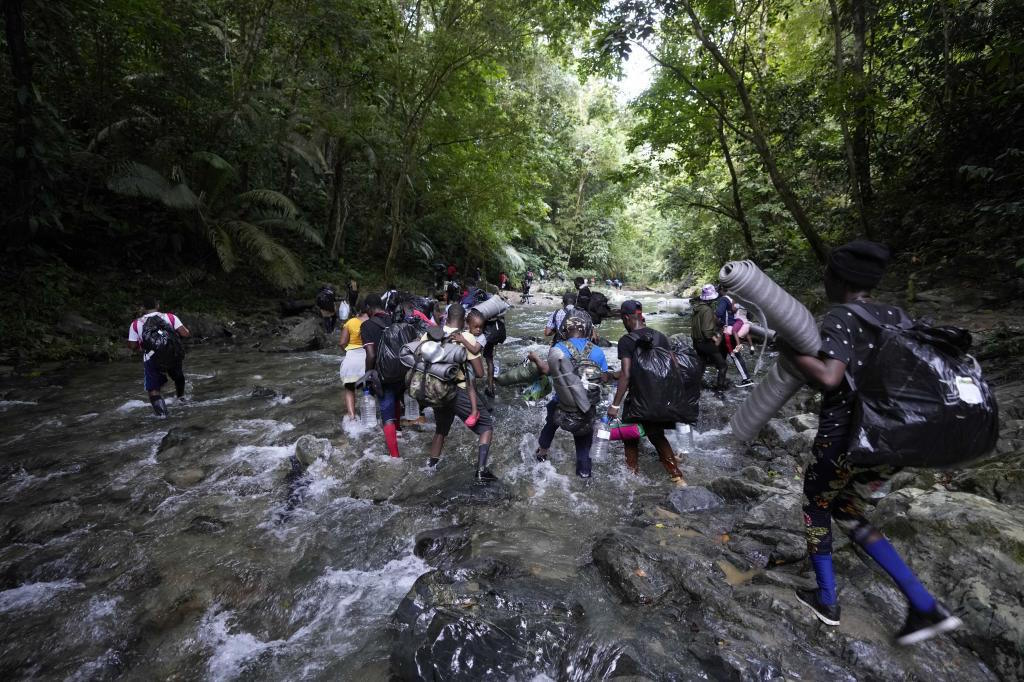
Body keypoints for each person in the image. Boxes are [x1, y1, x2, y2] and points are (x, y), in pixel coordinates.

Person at [780, 240, 962, 645]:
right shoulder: (896, 316)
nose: (824, 279)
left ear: (841, 279)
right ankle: (924, 605)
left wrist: (790, 350)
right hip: (892, 443)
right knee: (848, 510)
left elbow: (829, 376)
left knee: (815, 507)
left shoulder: (842, 316)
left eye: (827, 273)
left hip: (845, 440)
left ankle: (827, 600)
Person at [607, 300, 686, 485]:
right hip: (660, 398)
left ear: (626, 318)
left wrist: (614, 405)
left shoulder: (627, 340)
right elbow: (673, 367)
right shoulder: (660, 336)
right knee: (657, 435)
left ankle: (632, 478)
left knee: (630, 437)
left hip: (638, 400)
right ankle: (678, 477)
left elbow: (627, 374)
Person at [528, 312, 613, 478]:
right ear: (588, 330)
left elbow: (547, 370)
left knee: (550, 422)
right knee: (583, 443)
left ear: (564, 331)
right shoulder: (597, 351)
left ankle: (542, 452)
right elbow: (603, 378)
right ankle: (584, 473)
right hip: (586, 408)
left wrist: (535, 358)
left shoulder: (558, 348)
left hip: (562, 405)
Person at [424, 304, 495, 482]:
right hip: (458, 391)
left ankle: (430, 467)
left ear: (445, 317)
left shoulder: (430, 333)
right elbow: (479, 373)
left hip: (436, 389)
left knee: (441, 430)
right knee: (486, 427)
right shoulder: (467, 336)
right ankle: (481, 472)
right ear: (464, 321)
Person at [127, 297, 191, 417]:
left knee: (153, 389)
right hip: (172, 354)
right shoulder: (170, 317)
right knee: (178, 377)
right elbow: (185, 334)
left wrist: (142, 347)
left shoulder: (136, 324)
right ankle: (181, 399)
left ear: (143, 308)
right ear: (157, 305)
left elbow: (132, 345)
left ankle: (163, 417)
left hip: (151, 358)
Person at [361, 294, 404, 458]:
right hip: (402, 369)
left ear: (368, 308)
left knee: (386, 412)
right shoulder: (394, 320)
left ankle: (395, 456)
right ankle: (399, 432)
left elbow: (371, 354)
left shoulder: (367, 325)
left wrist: (368, 375)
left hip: (384, 373)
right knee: (397, 399)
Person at [715, 284, 754, 388]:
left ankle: (747, 379)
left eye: (718, 290)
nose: (718, 293)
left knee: (734, 355)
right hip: (734, 328)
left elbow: (719, 313)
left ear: (722, 290)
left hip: (729, 330)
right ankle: (720, 379)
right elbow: (748, 314)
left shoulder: (724, 299)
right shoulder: (735, 298)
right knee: (721, 354)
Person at [692, 284, 729, 390]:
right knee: (723, 366)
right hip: (705, 343)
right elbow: (706, 331)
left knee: (702, 366)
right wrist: (716, 337)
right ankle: (720, 389)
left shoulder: (697, 308)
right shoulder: (707, 310)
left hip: (696, 342)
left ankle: (696, 386)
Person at [339, 302, 369, 421]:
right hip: (368, 358)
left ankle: (352, 416)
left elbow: (342, 343)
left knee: (349, 388)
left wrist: (347, 352)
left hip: (352, 359)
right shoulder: (373, 321)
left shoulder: (351, 322)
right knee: (369, 389)